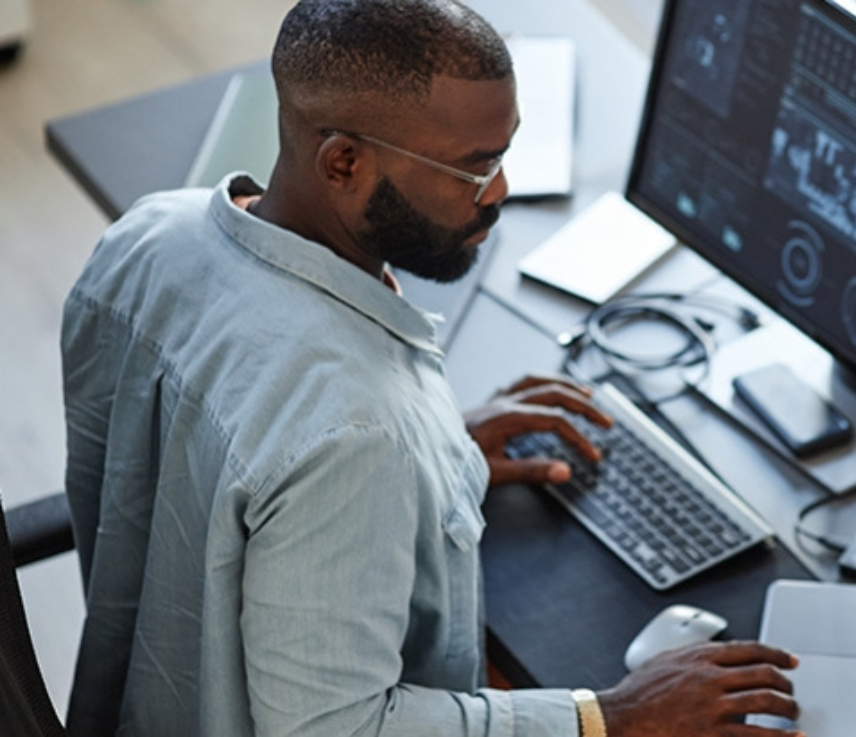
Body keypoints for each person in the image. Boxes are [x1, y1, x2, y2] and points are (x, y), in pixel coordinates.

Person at [59, 1, 803, 736]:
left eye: (505, 154)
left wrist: (434, 456)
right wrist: (609, 716)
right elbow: (335, 729)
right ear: (344, 162)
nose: (501, 192)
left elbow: (226, 445)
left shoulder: (149, 234)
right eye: (473, 170)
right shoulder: (354, 433)